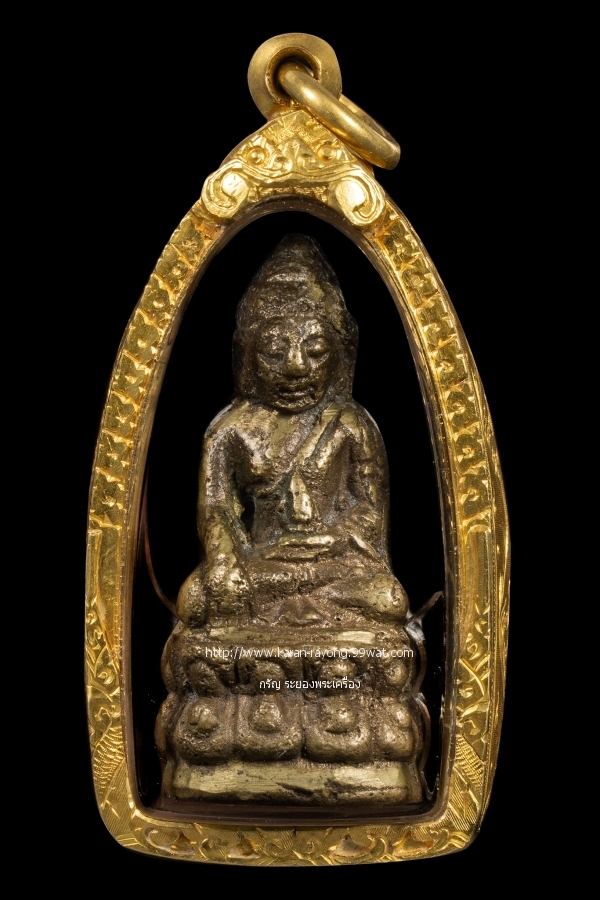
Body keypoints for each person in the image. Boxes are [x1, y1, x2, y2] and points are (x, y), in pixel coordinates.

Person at [177, 233, 409, 629]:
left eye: (316, 351)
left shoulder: (351, 424)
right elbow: (216, 510)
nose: (296, 367)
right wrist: (226, 559)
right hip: (260, 562)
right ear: (247, 355)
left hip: (331, 565)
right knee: (196, 599)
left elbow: (369, 510)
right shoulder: (230, 430)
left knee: (387, 599)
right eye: (274, 351)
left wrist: (332, 540)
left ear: (340, 354)